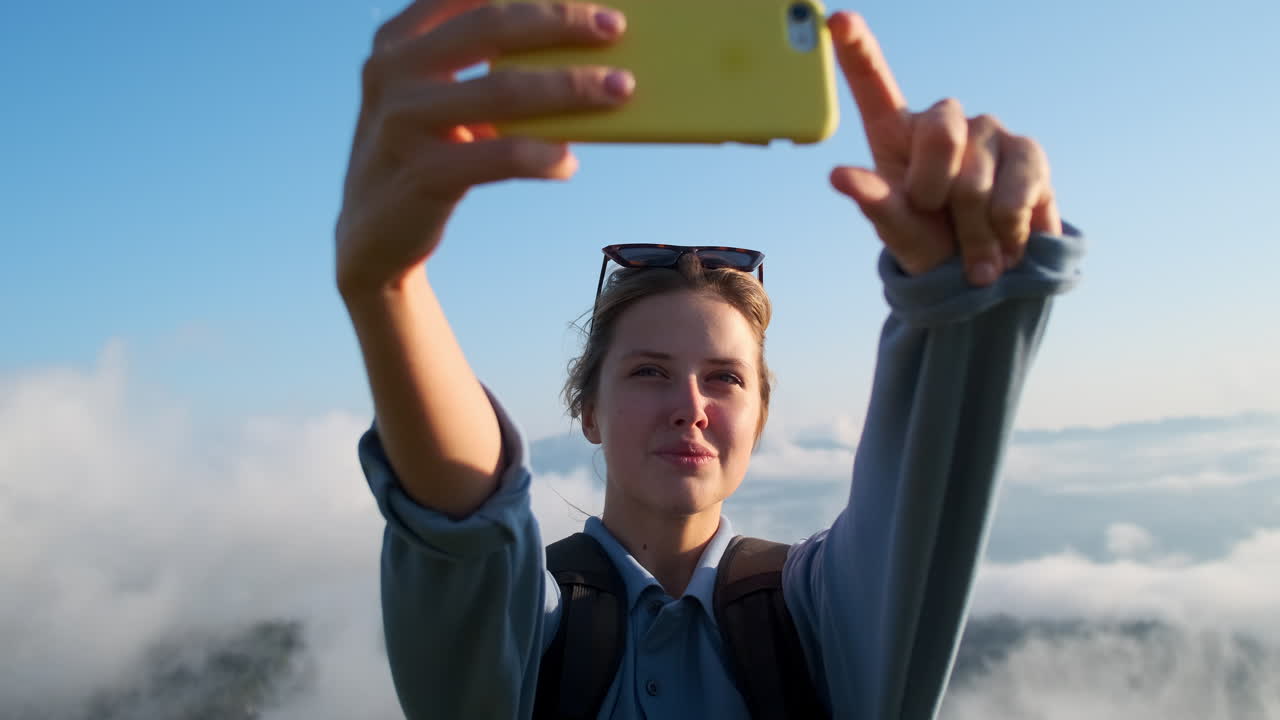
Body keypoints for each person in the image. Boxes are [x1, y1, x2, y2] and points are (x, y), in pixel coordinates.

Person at [335, 1, 1084, 718]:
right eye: (649, 371)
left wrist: (969, 287)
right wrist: (389, 291)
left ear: (758, 419)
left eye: (725, 378)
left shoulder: (817, 617)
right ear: (587, 410)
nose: (690, 404)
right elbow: (463, 531)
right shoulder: (534, 629)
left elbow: (928, 495)